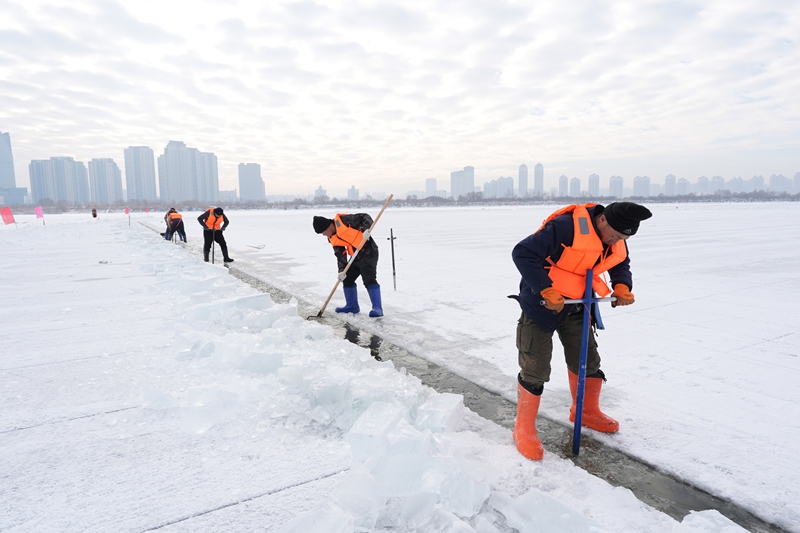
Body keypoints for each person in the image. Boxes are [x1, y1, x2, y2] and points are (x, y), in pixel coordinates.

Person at [510, 201, 652, 461]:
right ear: (603, 221)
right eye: (615, 235)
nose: (616, 241)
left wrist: (622, 285)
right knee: (536, 366)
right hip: (541, 304)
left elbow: (620, 261)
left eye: (622, 238)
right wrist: (545, 288)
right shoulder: (565, 227)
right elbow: (522, 252)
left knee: (587, 360)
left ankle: (585, 411)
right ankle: (524, 428)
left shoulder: (616, 236)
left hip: (578, 304)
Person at [313, 213, 383, 317]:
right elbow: (340, 254)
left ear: (328, 226)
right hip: (356, 257)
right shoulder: (332, 238)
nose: (324, 235)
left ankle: (377, 309)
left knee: (369, 279)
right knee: (347, 278)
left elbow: (365, 217)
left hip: (369, 252)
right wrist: (342, 270)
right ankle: (352, 306)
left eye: (323, 232)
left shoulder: (344, 220)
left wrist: (366, 230)